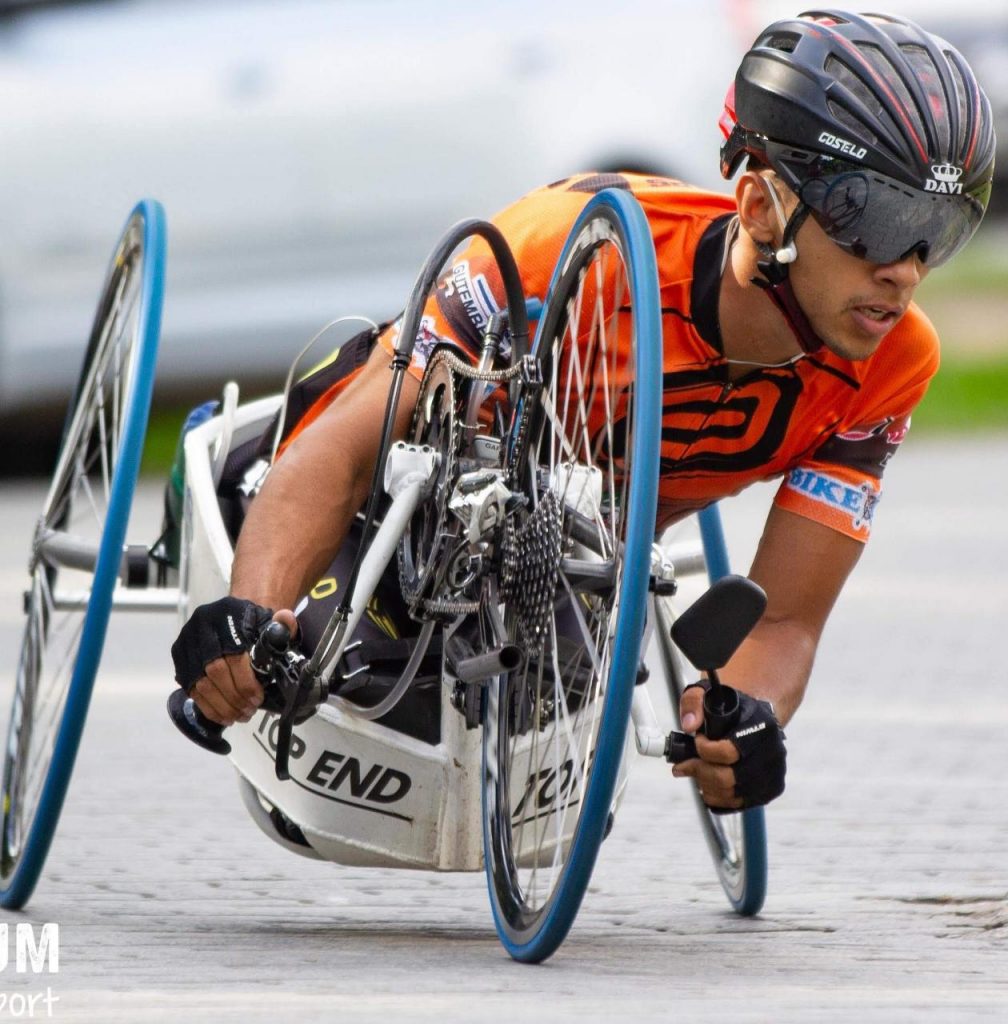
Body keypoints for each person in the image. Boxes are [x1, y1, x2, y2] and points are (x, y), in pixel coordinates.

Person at [171, 10, 995, 811]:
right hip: (397, 483)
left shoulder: (894, 362)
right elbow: (350, 447)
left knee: (561, 670)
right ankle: (226, 465)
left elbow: (783, 618)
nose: (905, 271)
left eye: (936, 232)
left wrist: (749, 725)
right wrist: (249, 612)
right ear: (760, 208)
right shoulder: (560, 248)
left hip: (561, 550)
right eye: (880, 222)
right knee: (305, 662)